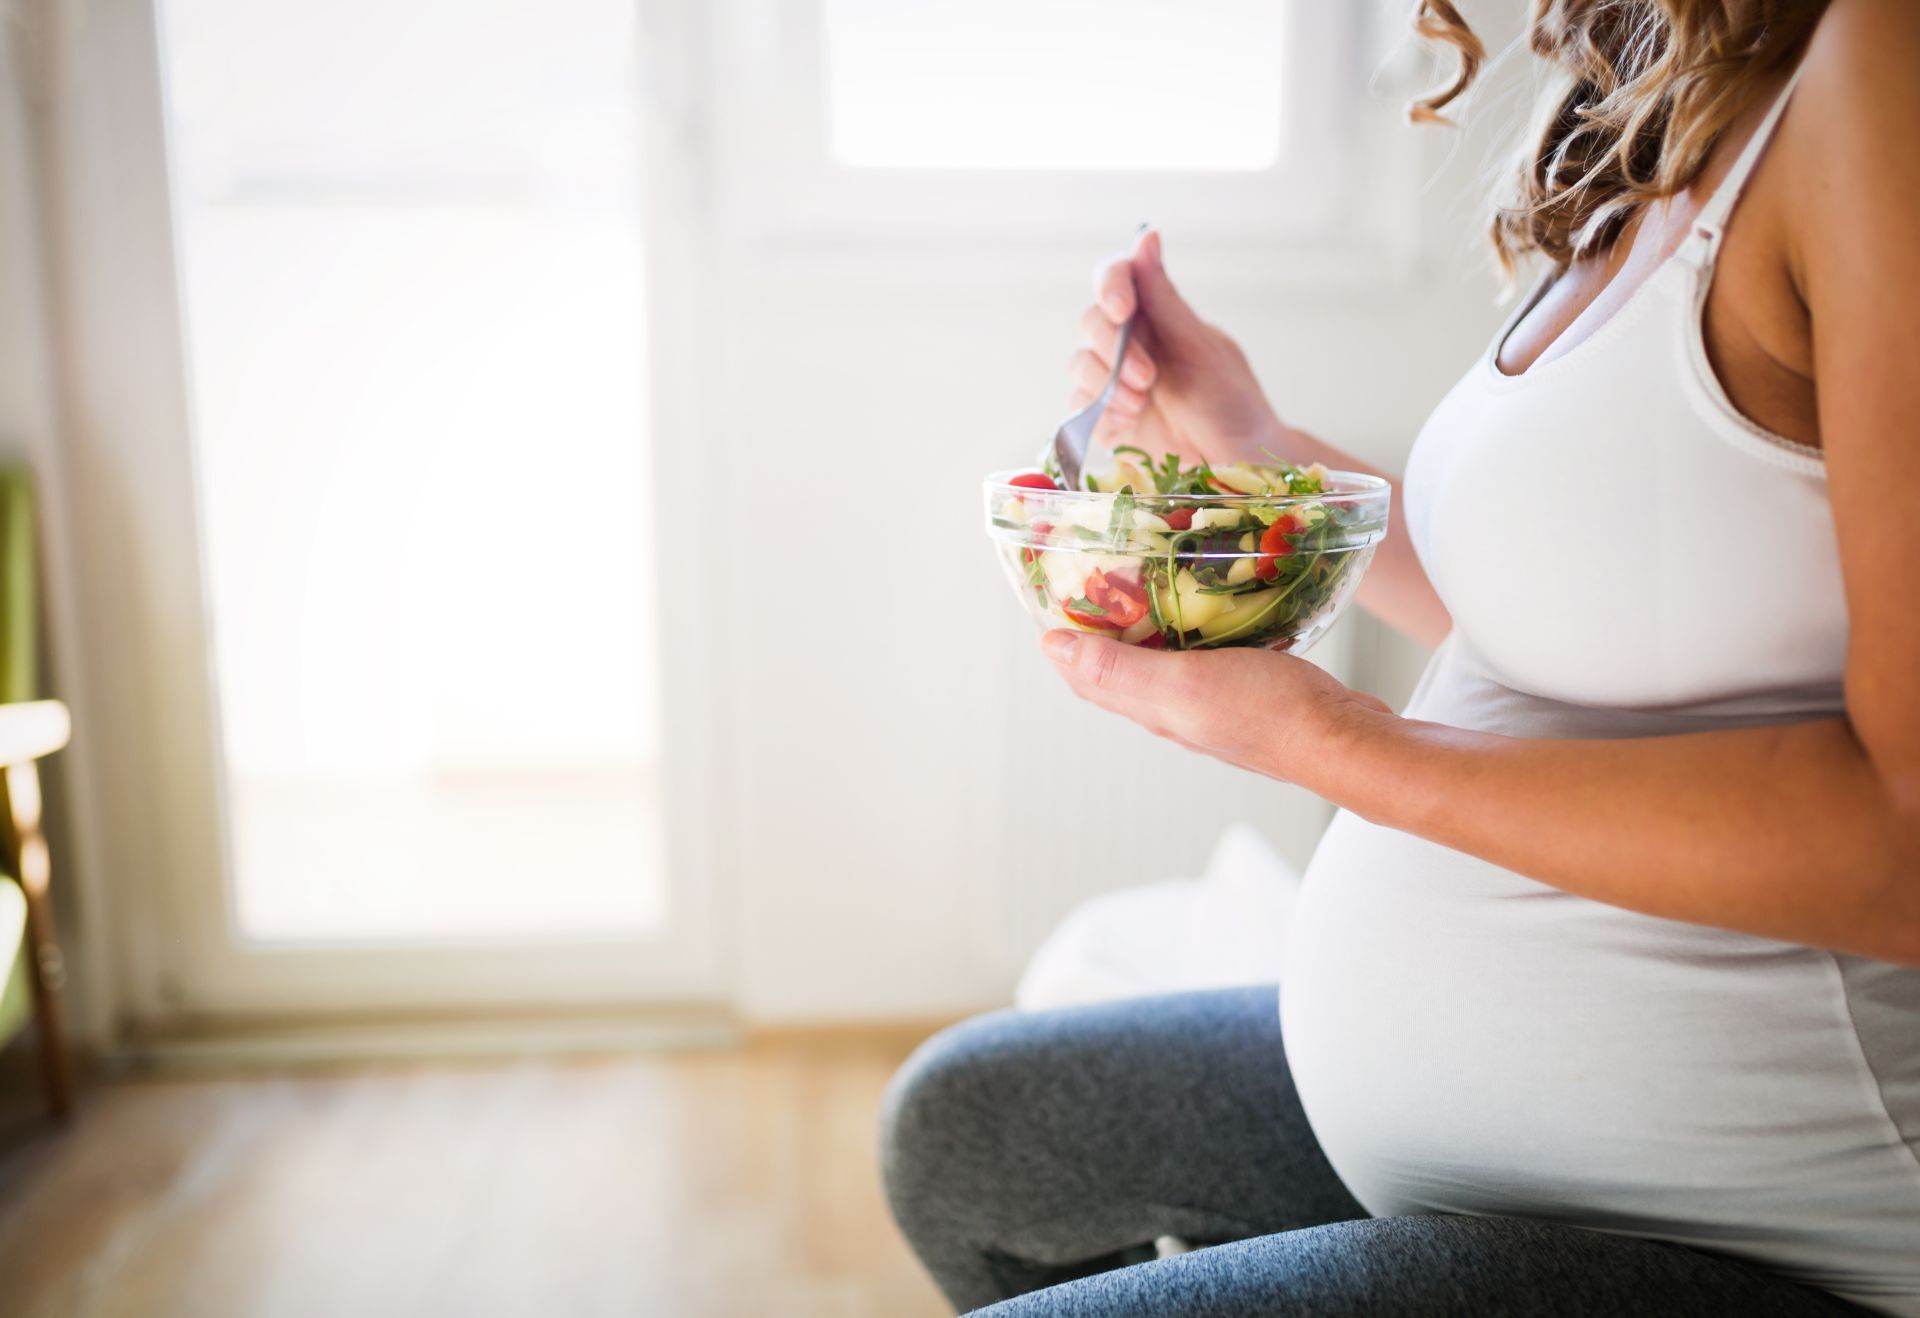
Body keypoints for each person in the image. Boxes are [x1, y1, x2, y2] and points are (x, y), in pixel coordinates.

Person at [880, 1, 1920, 1313]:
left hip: (1765, 1230)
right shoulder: (1683, 87)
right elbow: (1563, 603)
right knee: (966, 1138)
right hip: (1512, 1153)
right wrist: (1250, 434)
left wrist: (1335, 744)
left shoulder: (1882, 68)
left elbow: (1908, 839)